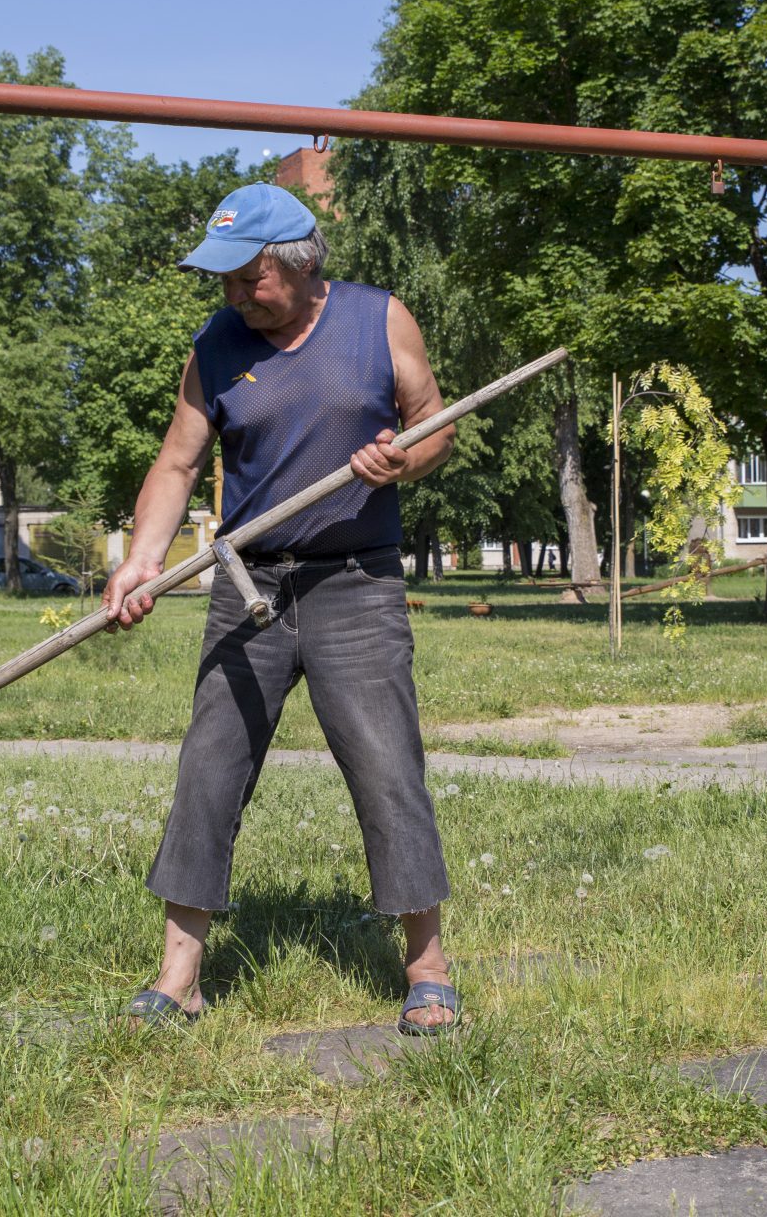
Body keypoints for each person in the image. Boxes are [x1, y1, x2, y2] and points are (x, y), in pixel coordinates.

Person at [102, 183, 460, 1034]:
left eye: (247, 277)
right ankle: (180, 976)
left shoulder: (378, 320)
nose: (232, 294)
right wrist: (144, 558)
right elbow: (178, 464)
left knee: (385, 765)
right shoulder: (216, 346)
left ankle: (429, 968)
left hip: (355, 583)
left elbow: (436, 423)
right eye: (223, 279)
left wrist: (403, 461)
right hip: (249, 580)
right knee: (210, 767)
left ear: (299, 265)